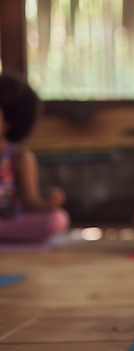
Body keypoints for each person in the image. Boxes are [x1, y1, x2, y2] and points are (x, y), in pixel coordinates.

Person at [0, 72, 70, 243]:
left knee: (57, 218)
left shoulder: (19, 158)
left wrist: (48, 204)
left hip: (11, 223)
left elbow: (31, 204)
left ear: (10, 119)